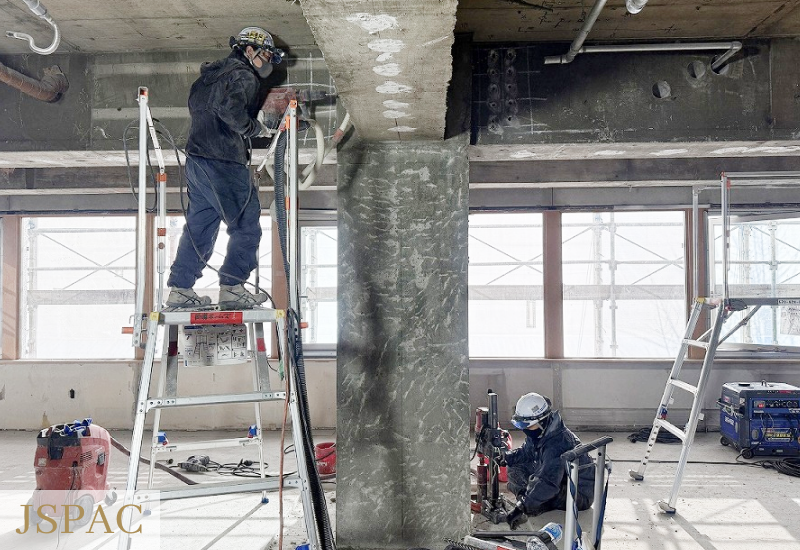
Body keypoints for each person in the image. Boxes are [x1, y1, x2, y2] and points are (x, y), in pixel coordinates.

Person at [166, 27, 283, 310]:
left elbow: (206, 110)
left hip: (197, 162)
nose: (266, 61)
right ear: (248, 50)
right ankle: (232, 286)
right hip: (224, 162)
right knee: (245, 224)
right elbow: (230, 112)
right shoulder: (243, 75)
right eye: (265, 54)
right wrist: (256, 128)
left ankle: (180, 289)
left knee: (200, 227)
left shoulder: (205, 79)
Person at [501, 392, 595, 529]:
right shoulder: (541, 432)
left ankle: (533, 503)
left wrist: (521, 508)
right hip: (563, 480)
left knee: (538, 485)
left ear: (542, 420)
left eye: (528, 425)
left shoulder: (557, 444)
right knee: (514, 468)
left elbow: (548, 482)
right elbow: (526, 452)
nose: (526, 429)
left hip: (579, 494)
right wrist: (507, 457)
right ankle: (531, 499)